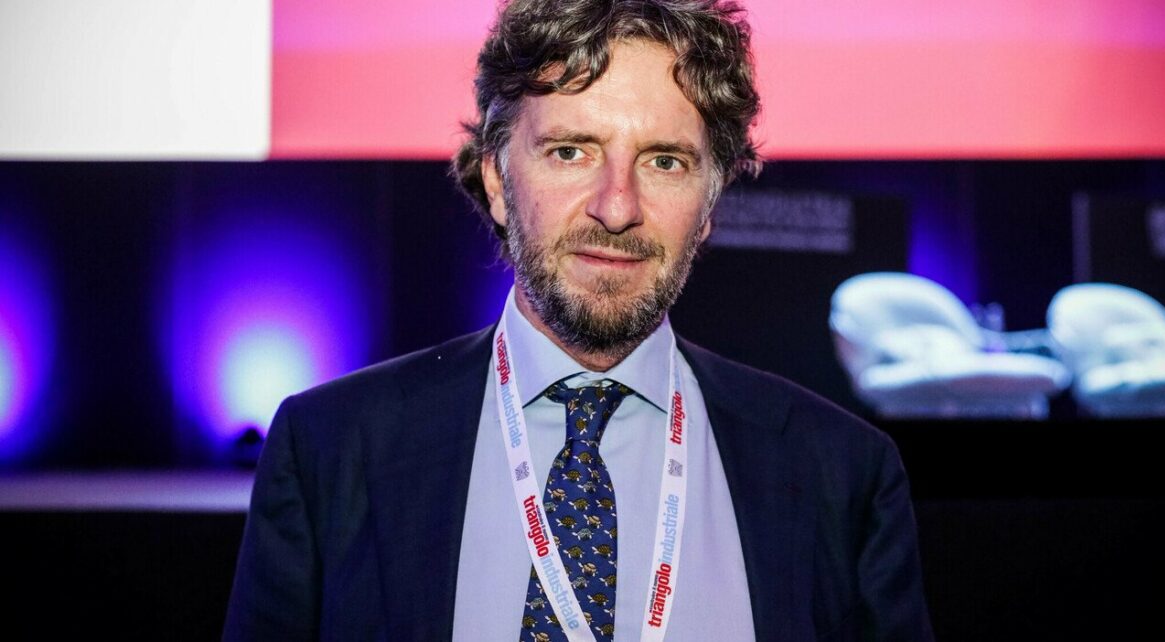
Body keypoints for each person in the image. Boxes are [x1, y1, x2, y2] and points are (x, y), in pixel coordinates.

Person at [223, 1, 934, 640]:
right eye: (571, 151)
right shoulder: (331, 451)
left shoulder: (842, 476)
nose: (616, 207)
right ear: (497, 180)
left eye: (664, 161)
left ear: (709, 207)